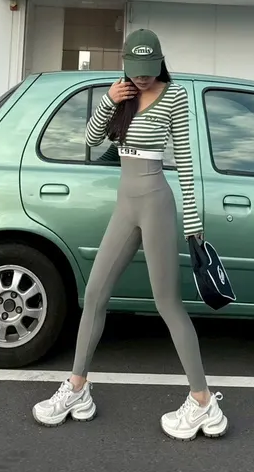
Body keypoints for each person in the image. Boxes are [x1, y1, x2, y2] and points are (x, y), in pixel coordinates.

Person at [32, 28, 227, 440]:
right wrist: (108, 100)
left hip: (156, 203)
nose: (142, 76)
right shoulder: (121, 94)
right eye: (136, 68)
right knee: (95, 295)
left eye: (149, 68)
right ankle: (77, 389)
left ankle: (203, 402)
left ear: (160, 62)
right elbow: (90, 141)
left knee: (167, 304)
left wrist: (193, 224)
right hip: (125, 205)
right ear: (126, 64)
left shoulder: (175, 96)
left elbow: (186, 161)